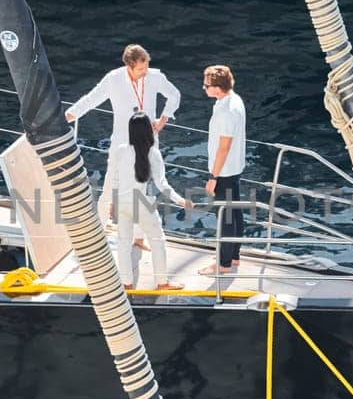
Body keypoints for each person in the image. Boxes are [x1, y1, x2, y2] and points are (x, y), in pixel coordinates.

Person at [65, 44, 180, 220]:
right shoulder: (114, 79)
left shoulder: (154, 76)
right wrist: (67, 116)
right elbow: (91, 100)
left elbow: (174, 94)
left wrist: (163, 120)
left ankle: (138, 236)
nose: (145, 71)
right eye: (141, 68)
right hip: (122, 139)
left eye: (146, 66)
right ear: (129, 66)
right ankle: (101, 226)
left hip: (148, 140)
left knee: (141, 187)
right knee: (111, 182)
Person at [112, 112, 192, 291]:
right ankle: (162, 282)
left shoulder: (121, 151)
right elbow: (162, 184)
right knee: (158, 241)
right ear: (148, 130)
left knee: (123, 244)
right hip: (142, 203)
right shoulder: (153, 153)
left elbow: (115, 180)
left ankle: (127, 284)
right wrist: (180, 200)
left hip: (123, 203)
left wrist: (112, 202)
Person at [200, 64, 245, 276]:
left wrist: (213, 177)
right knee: (235, 212)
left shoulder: (227, 111)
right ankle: (234, 256)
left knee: (225, 217)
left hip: (224, 171)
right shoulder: (231, 100)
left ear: (217, 88)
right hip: (234, 168)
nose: (204, 88)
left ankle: (223, 264)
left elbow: (224, 147)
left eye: (207, 85)